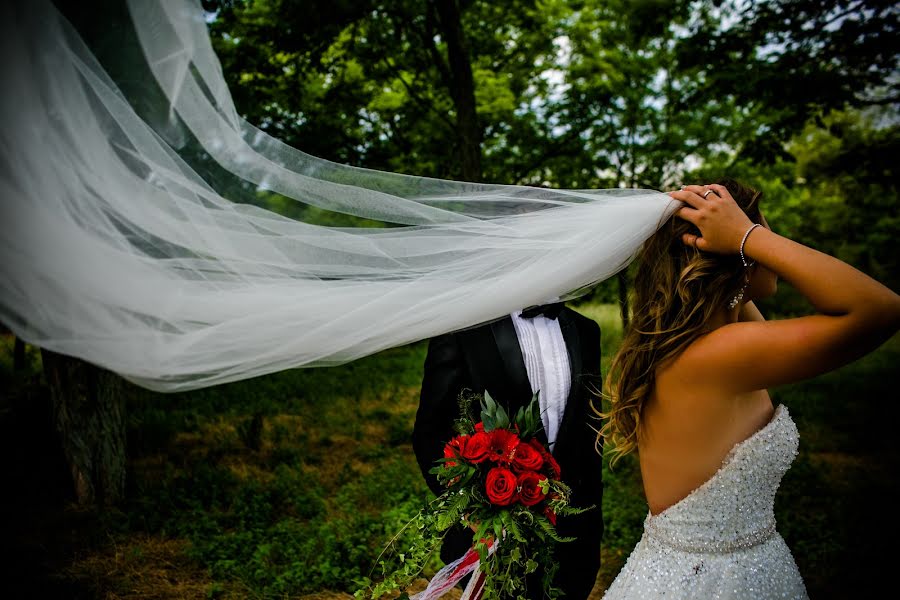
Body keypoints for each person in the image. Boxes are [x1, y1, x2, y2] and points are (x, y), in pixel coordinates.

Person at [598, 179, 900, 599]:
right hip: (714, 584)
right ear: (736, 254)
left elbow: (729, 302)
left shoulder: (710, 340)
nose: (771, 245)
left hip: (710, 569)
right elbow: (881, 310)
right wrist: (746, 236)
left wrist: (738, 243)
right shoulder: (717, 356)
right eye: (762, 235)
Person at [413, 301, 605, 599]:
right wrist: (471, 510)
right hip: (491, 541)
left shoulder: (585, 331)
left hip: (571, 545)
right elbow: (431, 431)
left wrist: (591, 528)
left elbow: (592, 438)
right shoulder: (463, 329)